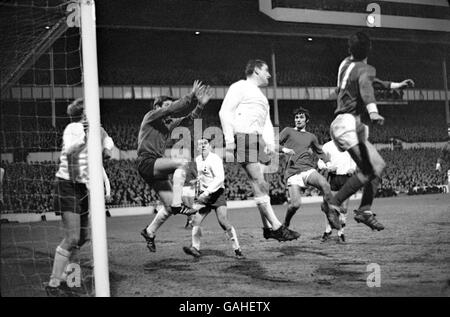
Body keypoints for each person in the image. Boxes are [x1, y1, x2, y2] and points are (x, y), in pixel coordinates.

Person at [219, 59, 300, 242]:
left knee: (262, 185)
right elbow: (224, 112)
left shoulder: (262, 98)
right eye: (266, 71)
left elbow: (267, 123)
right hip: (243, 137)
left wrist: (270, 143)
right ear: (256, 71)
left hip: (257, 140)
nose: (269, 75)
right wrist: (229, 139)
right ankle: (278, 228)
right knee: (258, 181)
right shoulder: (239, 87)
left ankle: (267, 228)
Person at [323, 31, 394, 231]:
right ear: (369, 49)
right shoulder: (366, 69)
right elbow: (366, 88)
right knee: (369, 169)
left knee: (378, 165)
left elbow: (370, 81)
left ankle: (364, 210)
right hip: (348, 124)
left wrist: (395, 85)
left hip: (343, 124)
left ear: (349, 49)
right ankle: (333, 203)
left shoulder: (345, 64)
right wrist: (373, 111)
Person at [45, 98, 114, 296]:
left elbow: (109, 146)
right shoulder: (73, 129)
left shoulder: (100, 130)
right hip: (67, 185)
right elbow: (69, 152)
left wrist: (104, 148)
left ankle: (69, 275)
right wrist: (86, 136)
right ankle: (53, 283)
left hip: (83, 188)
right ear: (82, 114)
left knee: (82, 238)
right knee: (72, 236)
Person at [138, 80, 214, 253]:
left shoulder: (167, 124)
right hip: (147, 161)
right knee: (181, 162)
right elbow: (172, 109)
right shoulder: (150, 116)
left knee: (168, 208)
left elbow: (188, 120)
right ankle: (180, 204)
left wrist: (200, 105)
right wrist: (192, 96)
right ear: (157, 107)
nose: (169, 109)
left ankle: (149, 232)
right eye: (165, 106)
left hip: (155, 166)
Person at [183, 138, 244, 258]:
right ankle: (195, 248)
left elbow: (219, 178)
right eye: (200, 144)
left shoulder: (215, 159)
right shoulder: (198, 159)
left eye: (205, 143)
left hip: (216, 193)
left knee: (223, 221)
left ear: (210, 146)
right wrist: (198, 185)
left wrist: (206, 193)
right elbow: (202, 175)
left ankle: (237, 250)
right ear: (197, 148)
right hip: (204, 194)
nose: (203, 146)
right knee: (196, 220)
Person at [278, 107, 333, 233]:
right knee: (295, 205)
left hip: (307, 169)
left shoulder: (311, 137)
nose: (298, 119)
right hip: (293, 173)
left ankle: (327, 210)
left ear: (307, 120)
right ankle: (286, 222)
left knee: (325, 184)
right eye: (296, 117)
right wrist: (284, 149)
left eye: (301, 117)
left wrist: (328, 163)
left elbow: (319, 152)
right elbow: (274, 144)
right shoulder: (288, 131)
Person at [318, 140, 357, 242]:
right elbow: (320, 162)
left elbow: (354, 160)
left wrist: (352, 168)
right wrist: (329, 167)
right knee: (331, 208)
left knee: (344, 208)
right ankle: (328, 230)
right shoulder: (327, 145)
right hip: (333, 178)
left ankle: (341, 233)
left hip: (346, 178)